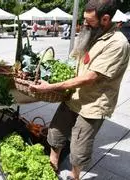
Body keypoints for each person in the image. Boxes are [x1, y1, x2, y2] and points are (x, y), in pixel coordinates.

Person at [29, 0, 130, 180]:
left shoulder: (118, 43)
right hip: (73, 96)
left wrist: (51, 87)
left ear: (105, 19)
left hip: (93, 104)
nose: (84, 23)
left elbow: (90, 78)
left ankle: (75, 176)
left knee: (79, 146)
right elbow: (77, 63)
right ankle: (52, 166)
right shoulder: (93, 34)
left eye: (89, 20)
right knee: (55, 132)